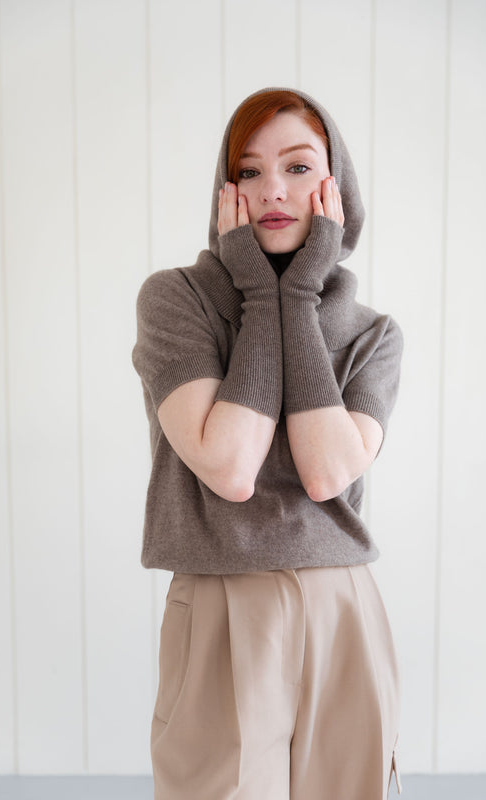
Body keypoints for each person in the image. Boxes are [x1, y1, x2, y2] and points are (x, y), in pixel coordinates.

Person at [132, 87, 404, 800]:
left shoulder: (373, 334)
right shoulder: (176, 300)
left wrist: (297, 297)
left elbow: (324, 473)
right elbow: (228, 466)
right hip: (222, 599)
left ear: (334, 186)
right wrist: (261, 293)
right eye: (248, 171)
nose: (272, 190)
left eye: (297, 166)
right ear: (227, 191)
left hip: (341, 605)